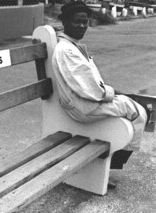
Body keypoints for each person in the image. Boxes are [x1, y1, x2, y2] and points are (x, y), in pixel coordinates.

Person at [52, 1, 148, 180]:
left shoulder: (72, 46)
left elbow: (91, 86)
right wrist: (114, 94)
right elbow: (93, 91)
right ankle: (108, 165)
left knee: (134, 107)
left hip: (85, 102)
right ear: (64, 22)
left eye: (85, 21)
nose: (82, 26)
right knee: (138, 113)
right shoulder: (67, 50)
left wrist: (115, 93)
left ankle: (107, 164)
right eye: (77, 21)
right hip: (83, 107)